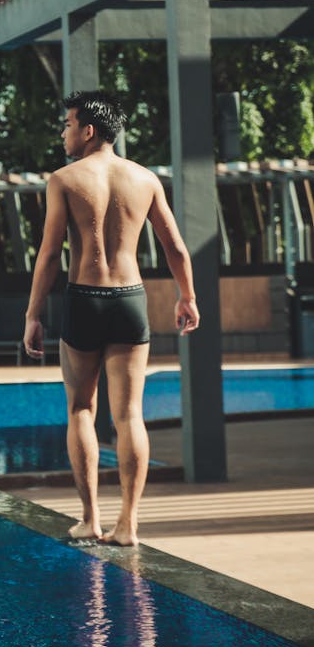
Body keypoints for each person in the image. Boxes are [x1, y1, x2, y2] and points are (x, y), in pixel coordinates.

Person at [23, 90, 199, 546]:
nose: (63, 132)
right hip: (129, 299)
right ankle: (128, 525)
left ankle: (90, 518)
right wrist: (187, 297)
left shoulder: (64, 179)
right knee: (129, 414)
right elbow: (175, 247)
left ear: (88, 130)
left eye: (67, 124)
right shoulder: (145, 179)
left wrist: (32, 314)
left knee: (81, 408)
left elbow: (49, 256)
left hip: (84, 298)